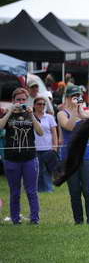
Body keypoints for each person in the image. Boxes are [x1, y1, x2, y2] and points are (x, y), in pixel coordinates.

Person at [0, 88, 44, 224]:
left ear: (27, 100)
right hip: (12, 159)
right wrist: (9, 112)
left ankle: (35, 219)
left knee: (31, 191)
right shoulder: (8, 115)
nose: (21, 102)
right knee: (14, 192)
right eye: (18, 100)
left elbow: (40, 132)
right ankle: (15, 219)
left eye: (23, 100)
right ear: (13, 101)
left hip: (29, 158)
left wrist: (31, 116)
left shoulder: (30, 114)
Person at [58, 85, 89, 225]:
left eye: (78, 96)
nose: (76, 99)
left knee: (88, 190)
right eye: (73, 96)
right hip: (69, 157)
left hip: (86, 156)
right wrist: (74, 111)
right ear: (67, 98)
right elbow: (69, 126)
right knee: (74, 191)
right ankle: (78, 221)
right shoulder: (62, 113)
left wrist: (80, 110)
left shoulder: (88, 112)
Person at [33, 96, 59, 193]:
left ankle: (48, 189)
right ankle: (37, 189)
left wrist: (55, 147)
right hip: (34, 149)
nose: (42, 106)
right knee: (37, 171)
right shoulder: (31, 117)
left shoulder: (50, 117)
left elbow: (54, 133)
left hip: (48, 148)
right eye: (39, 104)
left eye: (44, 104)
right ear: (34, 105)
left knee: (47, 170)